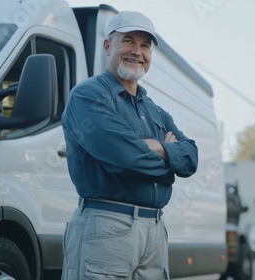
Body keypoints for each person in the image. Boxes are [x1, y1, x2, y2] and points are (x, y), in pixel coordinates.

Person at [60, 11, 198, 280]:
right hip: (107, 227)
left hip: (155, 230)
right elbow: (126, 159)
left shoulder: (154, 109)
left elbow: (191, 158)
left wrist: (157, 148)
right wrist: (170, 162)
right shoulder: (88, 95)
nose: (137, 51)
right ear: (107, 46)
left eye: (145, 45)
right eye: (128, 41)